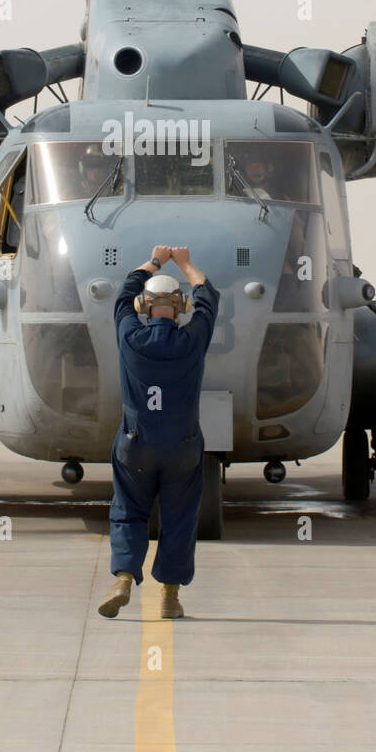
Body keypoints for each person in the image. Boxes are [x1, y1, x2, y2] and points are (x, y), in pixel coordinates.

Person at [98, 245, 220, 620]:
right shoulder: (192, 340)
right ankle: (169, 597)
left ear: (143, 307)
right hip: (182, 446)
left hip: (135, 444)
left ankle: (122, 579)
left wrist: (155, 260)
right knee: (180, 518)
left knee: (128, 512)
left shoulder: (130, 336)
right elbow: (208, 297)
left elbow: (123, 292)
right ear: (180, 306)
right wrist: (184, 263)